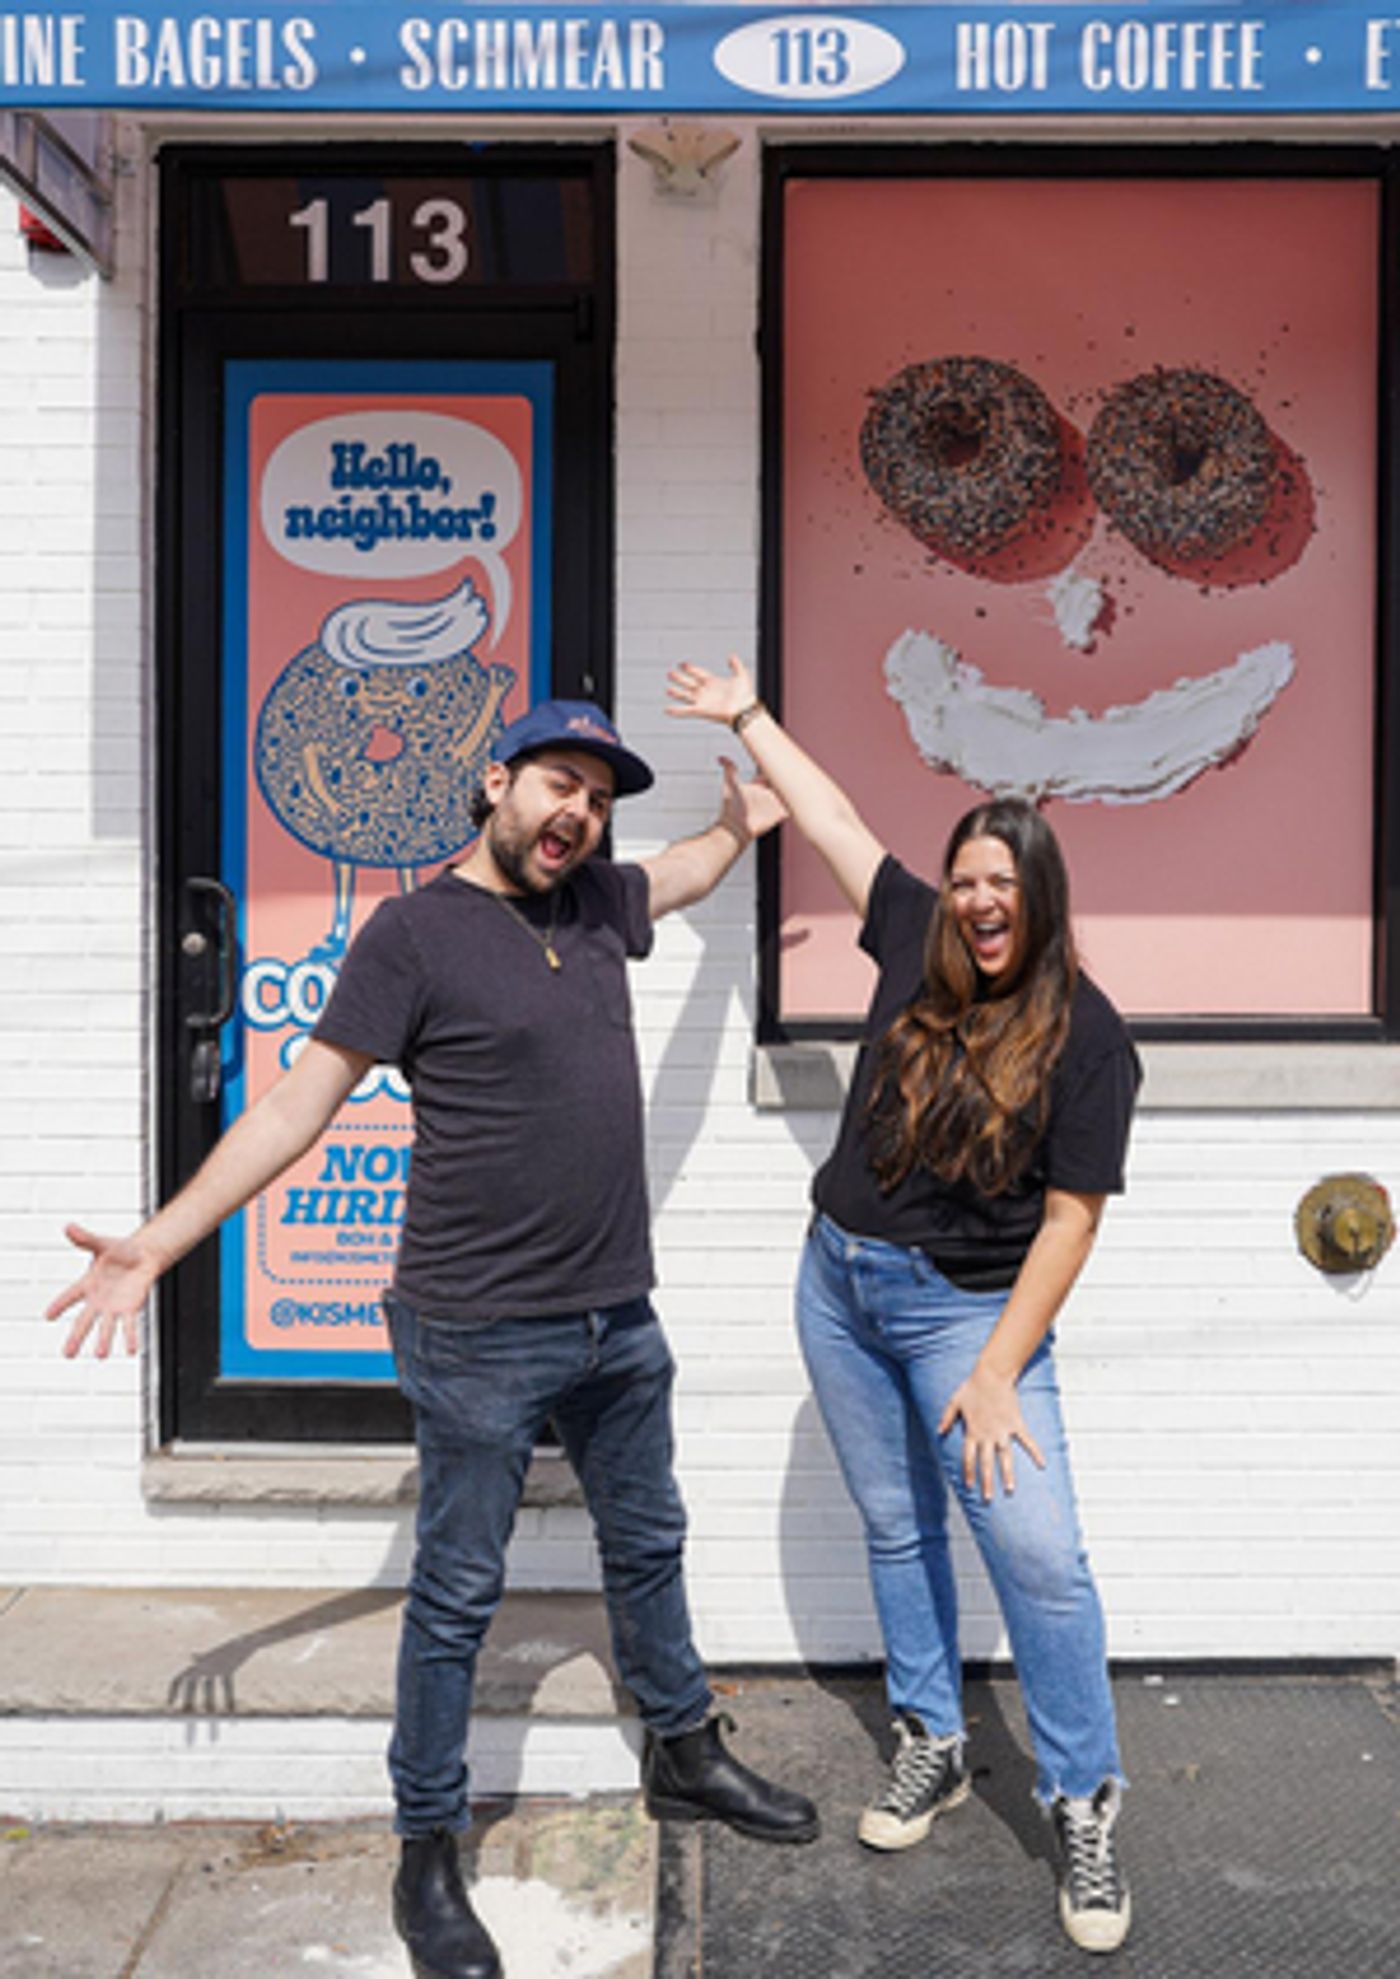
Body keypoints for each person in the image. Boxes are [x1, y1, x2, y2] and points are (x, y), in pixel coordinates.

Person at [46, 699, 819, 1979]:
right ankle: (426, 1845)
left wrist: (735, 827)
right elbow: (297, 1105)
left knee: (650, 1539)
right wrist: (161, 1241)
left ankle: (682, 1751)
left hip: (614, 1309)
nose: (577, 812)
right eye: (558, 783)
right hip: (473, 1328)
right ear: (493, 781)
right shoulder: (412, 935)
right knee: (457, 1592)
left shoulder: (594, 905)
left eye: (597, 798)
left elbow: (677, 876)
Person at [668, 658, 1140, 1956]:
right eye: (969, 876)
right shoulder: (916, 940)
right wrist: (755, 716)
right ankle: (930, 1734)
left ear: (1039, 896)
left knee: (1039, 1556)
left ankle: (1082, 1797)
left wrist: (996, 1370)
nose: (982, 898)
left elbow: (1073, 1219)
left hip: (966, 1321)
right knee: (895, 1522)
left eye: (1005, 881)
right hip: (840, 1280)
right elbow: (833, 823)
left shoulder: (1088, 1036)